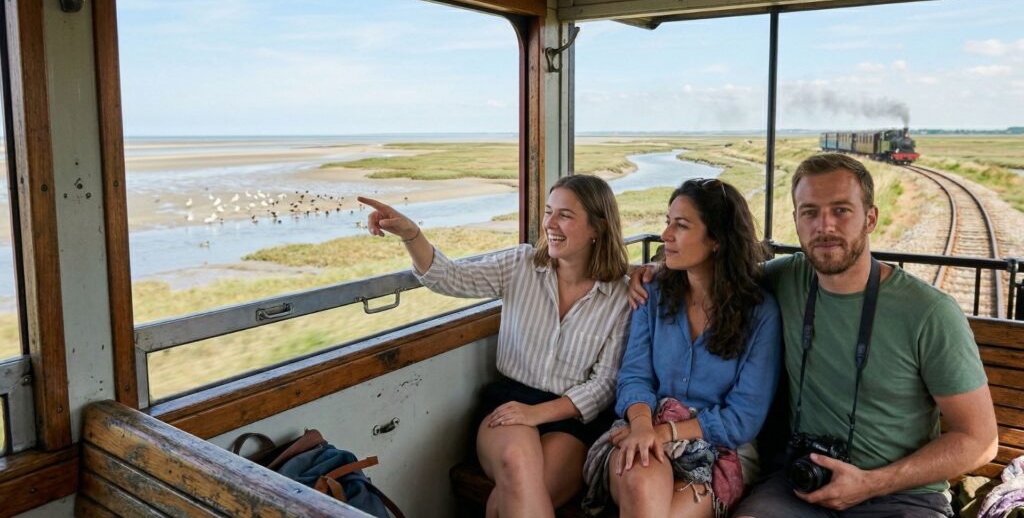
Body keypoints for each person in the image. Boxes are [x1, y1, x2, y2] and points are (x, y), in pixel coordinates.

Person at [631, 153, 997, 517]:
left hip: (899, 496)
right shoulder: (786, 279)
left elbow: (980, 441)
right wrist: (651, 272)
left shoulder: (929, 313)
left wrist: (873, 483)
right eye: (809, 212)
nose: (824, 226)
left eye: (840, 210)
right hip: (802, 482)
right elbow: (719, 271)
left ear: (870, 218)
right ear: (796, 220)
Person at [358, 174, 631, 518]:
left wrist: (538, 414)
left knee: (506, 504)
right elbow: (450, 277)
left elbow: (605, 385)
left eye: (565, 215)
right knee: (518, 464)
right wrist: (413, 235)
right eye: (549, 212)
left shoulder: (621, 295)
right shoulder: (520, 265)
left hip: (571, 420)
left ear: (597, 228)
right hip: (508, 403)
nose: (550, 223)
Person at [588, 178, 781, 518]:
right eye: (667, 222)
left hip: (721, 448)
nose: (665, 235)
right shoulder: (654, 293)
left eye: (681, 225)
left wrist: (667, 432)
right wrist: (645, 426)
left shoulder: (760, 313)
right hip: (646, 425)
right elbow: (635, 376)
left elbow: (743, 419)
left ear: (717, 239)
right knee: (640, 477)